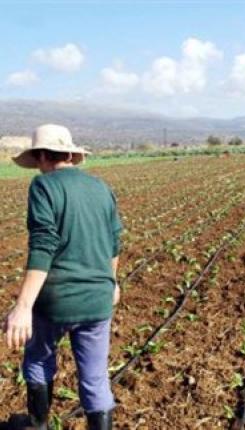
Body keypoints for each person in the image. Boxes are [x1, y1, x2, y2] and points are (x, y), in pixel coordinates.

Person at [3, 124, 122, 430]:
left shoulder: (44, 187)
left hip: (56, 300)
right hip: (98, 298)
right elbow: (114, 242)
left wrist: (24, 306)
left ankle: (38, 425)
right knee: (95, 378)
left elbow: (43, 245)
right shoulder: (101, 188)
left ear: (41, 156)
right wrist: (113, 282)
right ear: (70, 154)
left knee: (39, 362)